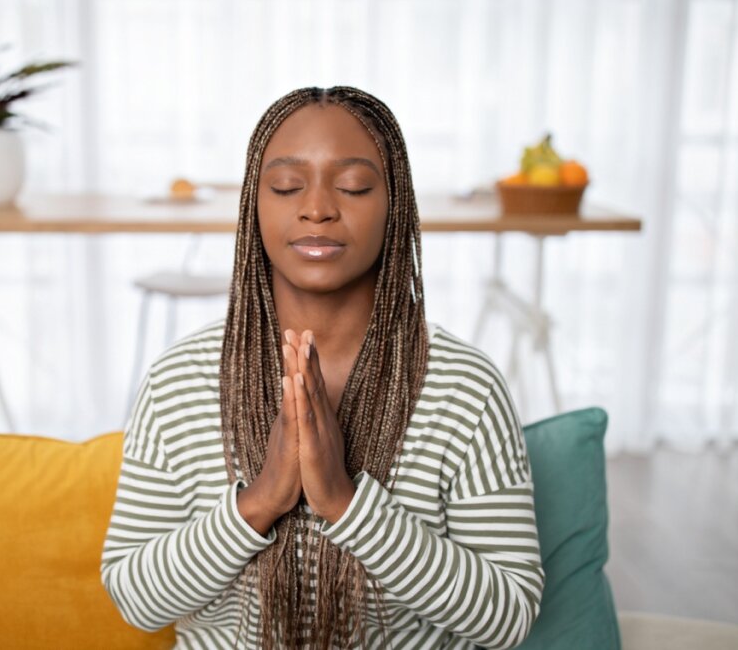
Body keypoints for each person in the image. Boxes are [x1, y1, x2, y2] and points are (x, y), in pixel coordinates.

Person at [101, 86, 543, 649]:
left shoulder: (464, 388)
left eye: (353, 186)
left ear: (395, 205)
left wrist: (345, 503)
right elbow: (136, 600)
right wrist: (262, 500)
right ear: (253, 205)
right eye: (287, 186)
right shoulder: (179, 381)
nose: (316, 208)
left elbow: (508, 618)